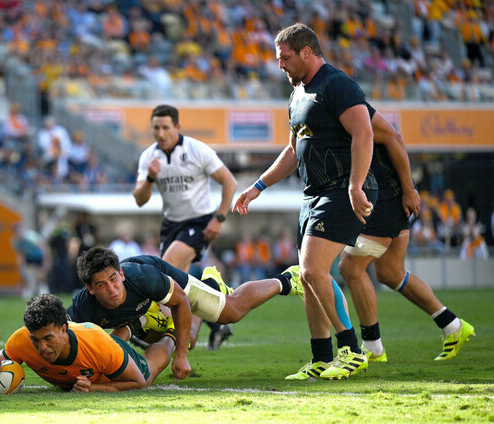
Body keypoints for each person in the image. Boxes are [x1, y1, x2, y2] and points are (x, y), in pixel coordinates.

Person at [233, 23, 377, 380]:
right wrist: (258, 186)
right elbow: (293, 151)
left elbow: (364, 132)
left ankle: (352, 350)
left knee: (312, 270)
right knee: (309, 277)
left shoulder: (337, 85)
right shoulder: (297, 94)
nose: (280, 65)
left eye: (285, 58)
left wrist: (355, 185)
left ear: (307, 53)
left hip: (342, 189)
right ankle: (321, 358)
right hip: (313, 194)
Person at [337, 107, 475, 368]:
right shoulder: (330, 106)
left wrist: (409, 189)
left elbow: (395, 137)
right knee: (390, 273)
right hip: (386, 196)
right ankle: (453, 325)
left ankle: (372, 346)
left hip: (386, 197)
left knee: (350, 266)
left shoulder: (347, 102)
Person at [67, 247, 303, 381]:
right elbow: (61, 336)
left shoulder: (142, 277)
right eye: (102, 285)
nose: (112, 289)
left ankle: (287, 279)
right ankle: (208, 285)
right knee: (165, 337)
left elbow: (180, 302)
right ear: (90, 288)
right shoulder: (82, 307)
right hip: (138, 312)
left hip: (165, 288)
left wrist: (181, 356)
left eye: (113, 279)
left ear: (121, 274)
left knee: (231, 312)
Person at [132, 104, 238, 348]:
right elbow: (139, 199)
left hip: (200, 222)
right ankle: (210, 320)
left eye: (165, 127)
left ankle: (164, 334)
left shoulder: (196, 149)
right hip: (171, 225)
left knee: (164, 272)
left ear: (177, 127)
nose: (160, 133)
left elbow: (229, 182)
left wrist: (219, 218)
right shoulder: (149, 157)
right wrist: (150, 177)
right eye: (156, 128)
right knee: (180, 284)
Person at [0, 294, 168, 392]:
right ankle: (137, 322)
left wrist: (94, 388)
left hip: (106, 350)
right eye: (35, 339)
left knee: (150, 371)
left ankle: (172, 335)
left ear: (63, 329)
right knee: (105, 352)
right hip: (103, 350)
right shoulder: (21, 340)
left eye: (48, 338)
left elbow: (138, 383)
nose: (42, 348)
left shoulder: (97, 344)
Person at [11, 223, 52, 299]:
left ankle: (44, 291)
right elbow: (20, 254)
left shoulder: (29, 236)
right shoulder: (15, 241)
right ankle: (29, 290)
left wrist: (46, 260)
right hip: (29, 257)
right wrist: (21, 266)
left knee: (41, 275)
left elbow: (43, 245)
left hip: (39, 256)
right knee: (25, 273)